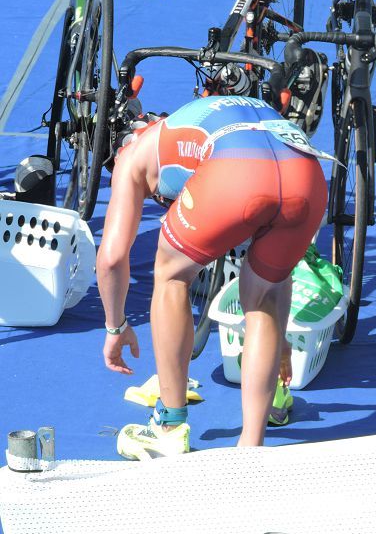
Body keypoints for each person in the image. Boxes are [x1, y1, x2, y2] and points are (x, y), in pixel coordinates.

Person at [96, 94, 328, 458]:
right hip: (306, 176)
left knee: (172, 276)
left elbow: (111, 259)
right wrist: (277, 340)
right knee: (266, 295)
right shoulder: (187, 124)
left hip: (235, 176)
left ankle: (170, 426)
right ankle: (251, 445)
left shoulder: (132, 157)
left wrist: (115, 326)